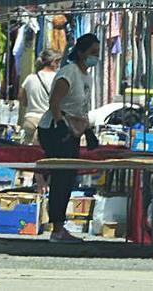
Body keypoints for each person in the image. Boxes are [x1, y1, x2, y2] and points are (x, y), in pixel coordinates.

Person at [38, 34, 100, 244]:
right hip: (54, 129)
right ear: (81, 52)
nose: (95, 57)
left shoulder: (86, 77)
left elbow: (81, 110)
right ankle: (56, 227)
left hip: (72, 130)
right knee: (61, 177)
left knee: (68, 178)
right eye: (92, 53)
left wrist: (88, 132)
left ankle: (59, 226)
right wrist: (62, 128)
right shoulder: (68, 73)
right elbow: (55, 102)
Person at [18, 49, 60, 145]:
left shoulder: (30, 78)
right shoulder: (58, 79)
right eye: (57, 62)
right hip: (48, 122)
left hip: (30, 119)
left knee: (28, 153)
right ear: (52, 62)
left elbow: (22, 99)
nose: (58, 65)